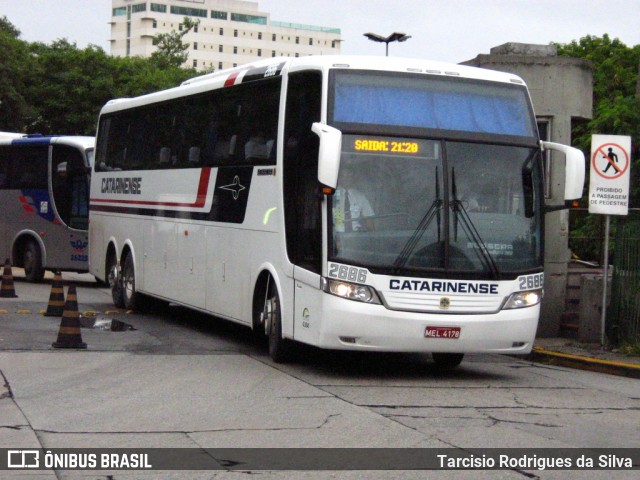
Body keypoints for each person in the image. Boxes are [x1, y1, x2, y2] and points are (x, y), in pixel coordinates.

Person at [333, 165, 374, 232]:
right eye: (344, 176)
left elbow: (369, 220)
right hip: (336, 236)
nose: (347, 178)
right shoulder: (332, 195)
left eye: (349, 176)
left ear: (353, 178)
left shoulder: (360, 197)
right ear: (339, 177)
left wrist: (373, 239)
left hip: (356, 237)